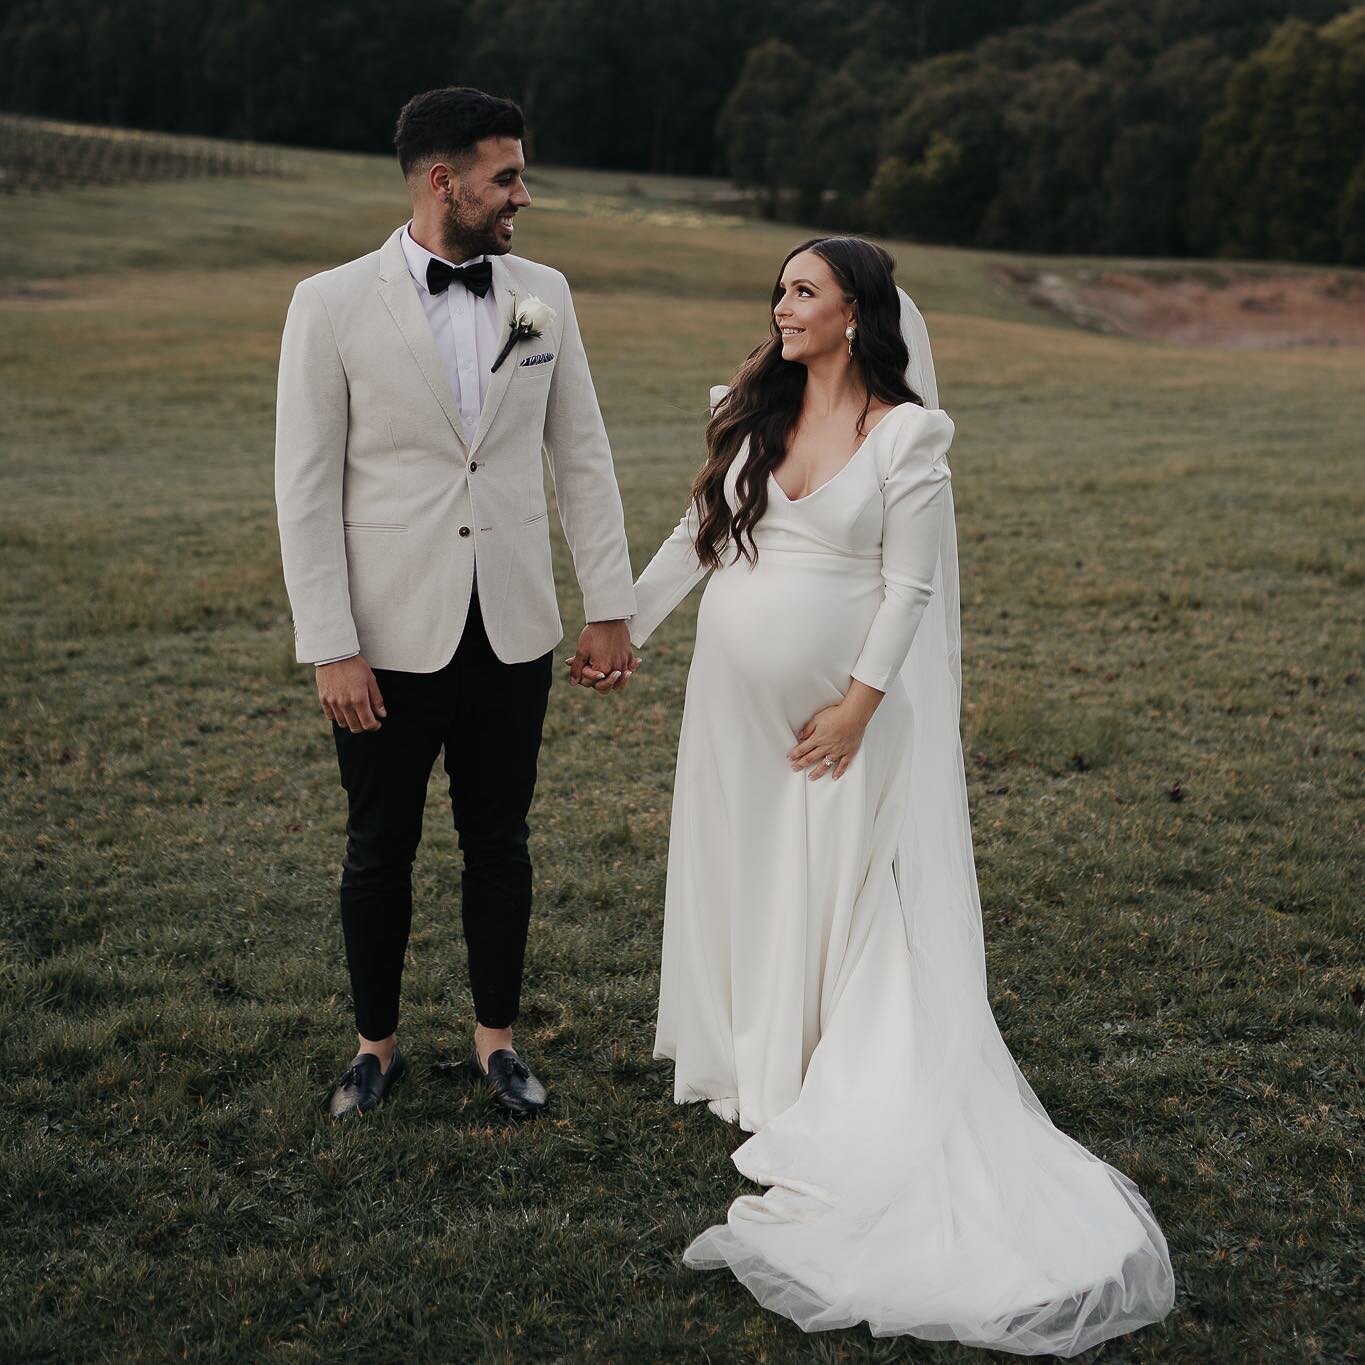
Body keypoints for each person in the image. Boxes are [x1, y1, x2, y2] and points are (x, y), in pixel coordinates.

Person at [610, 236, 1176, 1353]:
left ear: (859, 315)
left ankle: (834, 1074)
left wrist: (860, 706)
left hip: (841, 719)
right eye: (780, 288)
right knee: (755, 870)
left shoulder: (908, 436)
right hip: (730, 709)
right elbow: (697, 538)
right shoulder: (751, 413)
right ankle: (758, 1057)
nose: (781, 306)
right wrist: (624, 629)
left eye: (803, 291)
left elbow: (911, 586)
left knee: (844, 889)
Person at [275, 86, 639, 1120]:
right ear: (445, 180)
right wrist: (331, 644)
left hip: (513, 626)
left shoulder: (537, 297)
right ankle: (374, 1049)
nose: (523, 195)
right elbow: (304, 489)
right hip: (384, 638)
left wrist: (606, 603)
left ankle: (497, 1044)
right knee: (377, 847)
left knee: (501, 843)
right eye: (506, 177)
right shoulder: (332, 303)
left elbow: (579, 453)